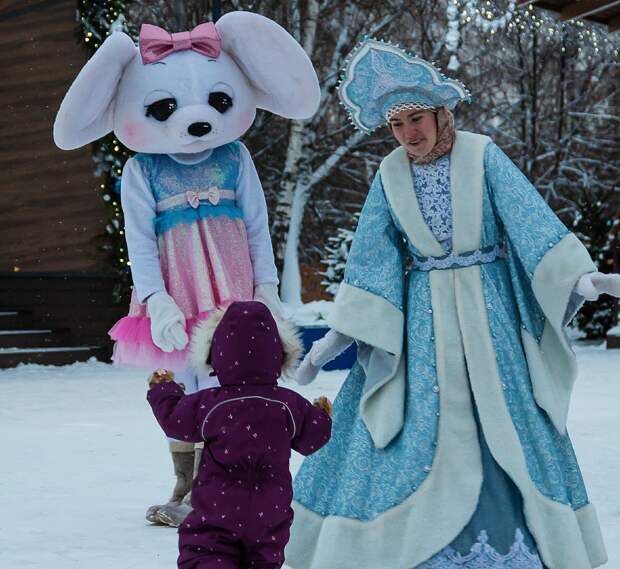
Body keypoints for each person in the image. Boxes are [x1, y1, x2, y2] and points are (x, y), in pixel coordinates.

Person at [285, 39, 620, 569]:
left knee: (507, 409)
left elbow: (529, 222)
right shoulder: (390, 174)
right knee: (411, 417)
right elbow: (372, 258)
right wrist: (340, 335)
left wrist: (580, 278)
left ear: (441, 114)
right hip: (422, 322)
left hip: (491, 316)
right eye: (397, 126)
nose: (408, 134)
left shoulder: (482, 154)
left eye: (416, 118)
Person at [53, 12, 321, 526]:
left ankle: (227, 481)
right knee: (182, 388)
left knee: (233, 385)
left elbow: (258, 225)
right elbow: (140, 238)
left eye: (217, 101)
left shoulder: (235, 156)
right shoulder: (143, 169)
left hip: (233, 294)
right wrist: (155, 299)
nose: (198, 119)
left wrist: (265, 286)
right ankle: (188, 481)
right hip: (178, 293)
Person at [147, 301, 332, 569]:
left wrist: (164, 389)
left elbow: (175, 421)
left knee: (207, 550)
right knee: (264, 556)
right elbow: (312, 438)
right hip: (269, 511)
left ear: (215, 356)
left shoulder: (211, 403)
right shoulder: (288, 405)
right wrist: (321, 415)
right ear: (279, 356)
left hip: (218, 507)